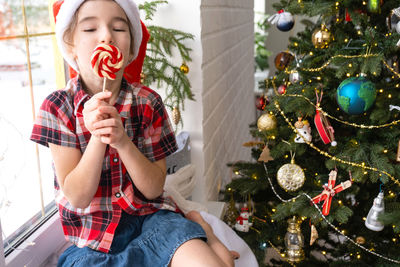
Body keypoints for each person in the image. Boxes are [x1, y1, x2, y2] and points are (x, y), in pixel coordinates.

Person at [30, 0, 236, 266]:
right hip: (93, 242)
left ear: (129, 52)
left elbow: (152, 189)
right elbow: (78, 197)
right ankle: (203, 232)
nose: (106, 35)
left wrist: (122, 141)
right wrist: (98, 136)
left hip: (152, 222)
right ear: (70, 45)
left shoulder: (147, 103)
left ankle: (203, 231)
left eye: (118, 28)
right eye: (90, 29)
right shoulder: (58, 107)